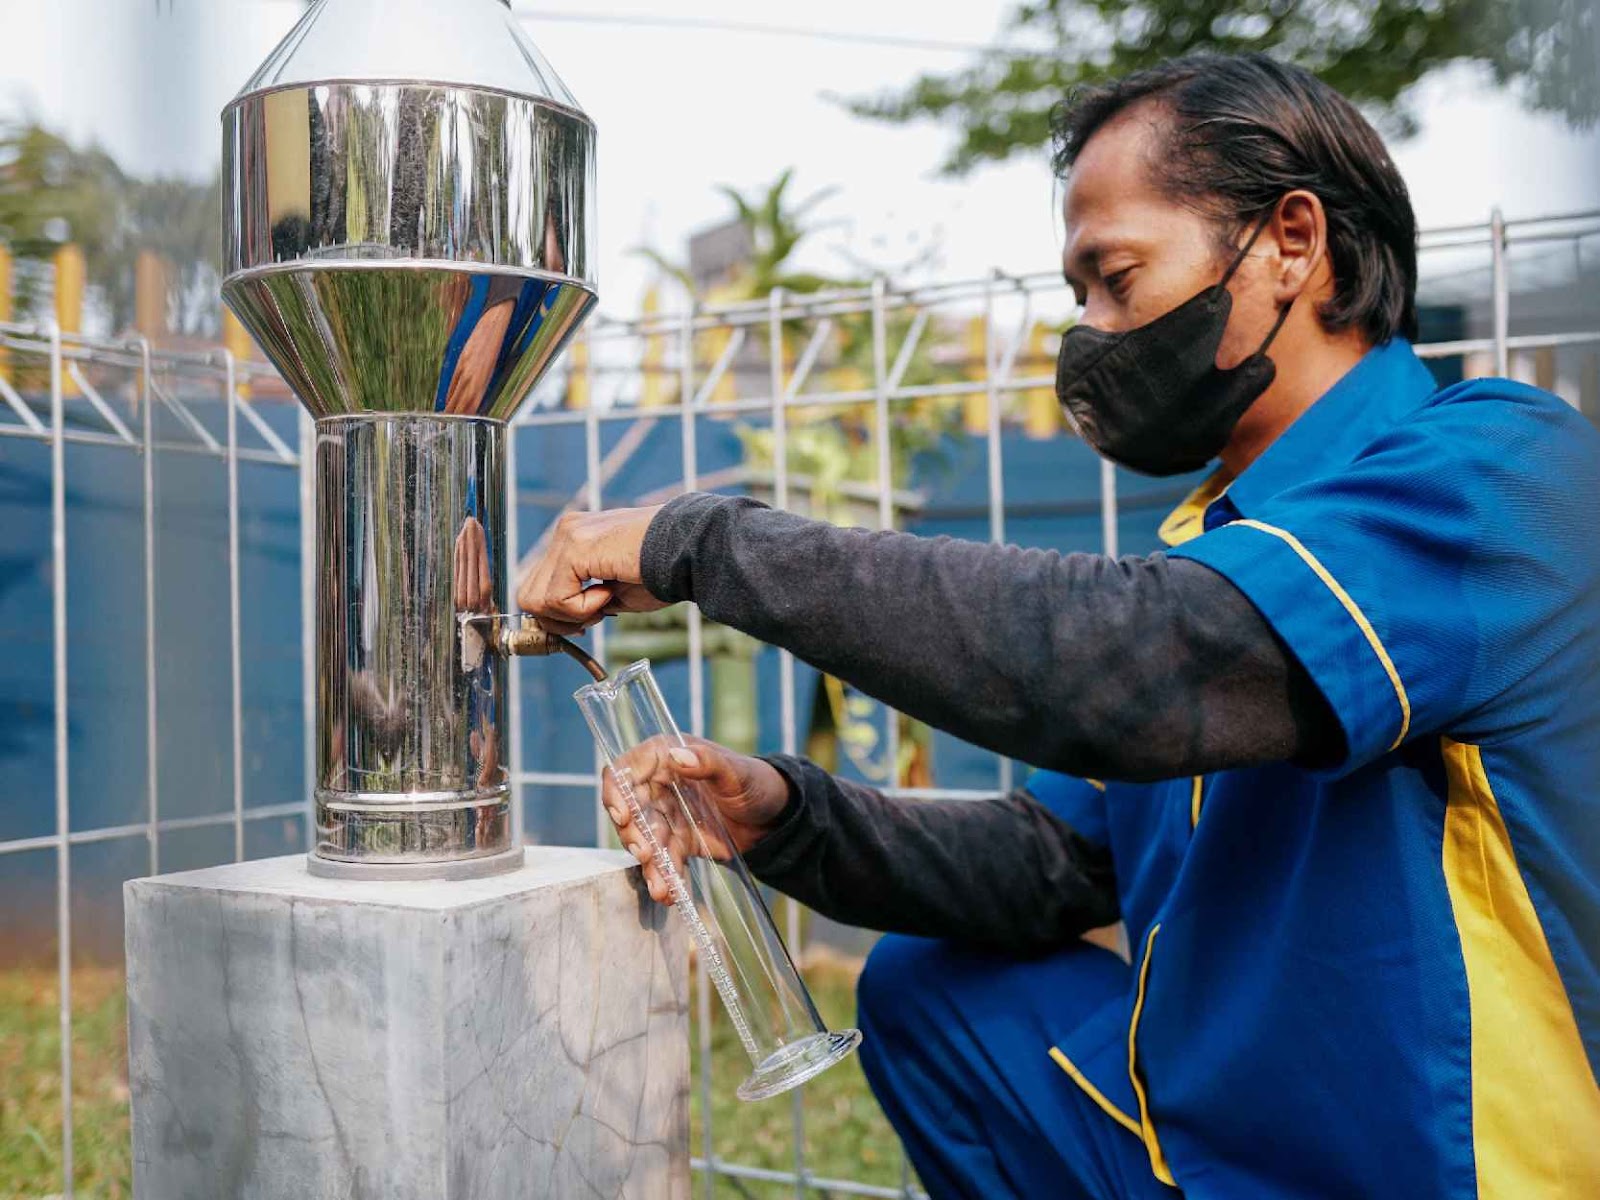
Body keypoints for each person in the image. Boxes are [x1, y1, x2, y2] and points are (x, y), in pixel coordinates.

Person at [518, 53, 1600, 1200]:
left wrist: (701, 541)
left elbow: (1135, 664)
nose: (1087, 331)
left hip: (1427, 1173)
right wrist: (784, 815)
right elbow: (1054, 864)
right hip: (1193, 1159)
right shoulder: (1224, 546)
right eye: (1076, 291)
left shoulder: (1501, 470)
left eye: (1113, 275)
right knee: (928, 991)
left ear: (1291, 241)